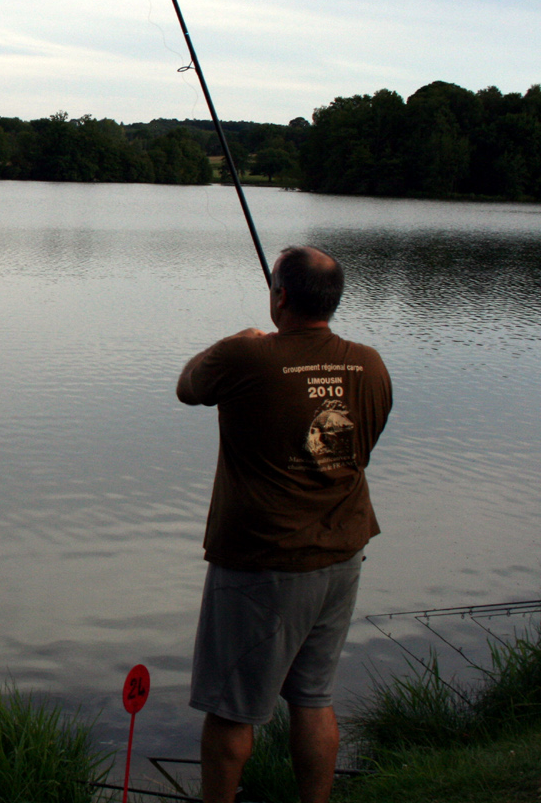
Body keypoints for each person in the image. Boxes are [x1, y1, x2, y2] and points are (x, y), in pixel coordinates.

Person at [176, 245, 392, 803]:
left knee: (230, 711)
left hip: (262, 562)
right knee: (314, 699)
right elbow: (359, 448)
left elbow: (188, 386)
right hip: (342, 555)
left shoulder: (245, 356)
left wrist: (238, 341)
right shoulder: (369, 363)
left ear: (281, 296)